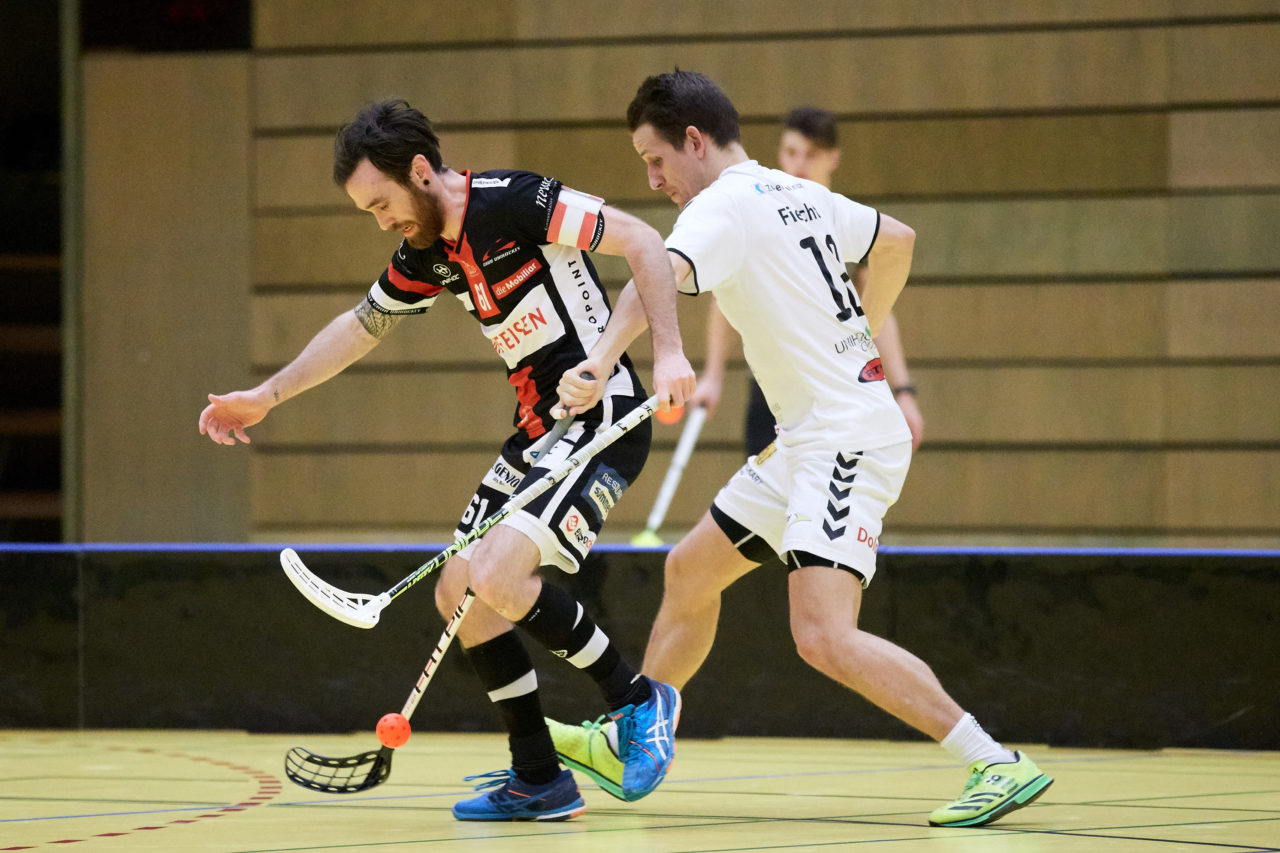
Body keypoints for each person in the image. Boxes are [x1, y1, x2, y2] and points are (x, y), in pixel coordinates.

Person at [550, 71, 1052, 828]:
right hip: (810, 437)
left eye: (655, 160)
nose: (652, 180)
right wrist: (861, 337)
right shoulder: (795, 191)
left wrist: (599, 362)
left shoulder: (720, 206)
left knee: (822, 634)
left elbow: (654, 272)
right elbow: (898, 241)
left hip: (843, 439)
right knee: (690, 570)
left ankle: (994, 760)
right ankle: (634, 736)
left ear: (694, 140)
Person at [197, 99, 696, 821]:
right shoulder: (429, 251)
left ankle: (638, 702)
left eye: (383, 203)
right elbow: (360, 327)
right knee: (459, 591)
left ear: (422, 172)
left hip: (602, 418)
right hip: (536, 431)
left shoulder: (519, 202)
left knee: (498, 574)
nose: (381, 222)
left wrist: (671, 351)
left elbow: (648, 242)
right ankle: (541, 776)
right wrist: (268, 396)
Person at [694, 106, 923, 455]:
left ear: (833, 158)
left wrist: (903, 391)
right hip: (775, 391)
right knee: (763, 503)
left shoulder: (849, 222)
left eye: (811, 154)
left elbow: (878, 310)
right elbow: (724, 299)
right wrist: (712, 376)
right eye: (790, 152)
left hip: (838, 390)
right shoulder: (760, 216)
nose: (799, 164)